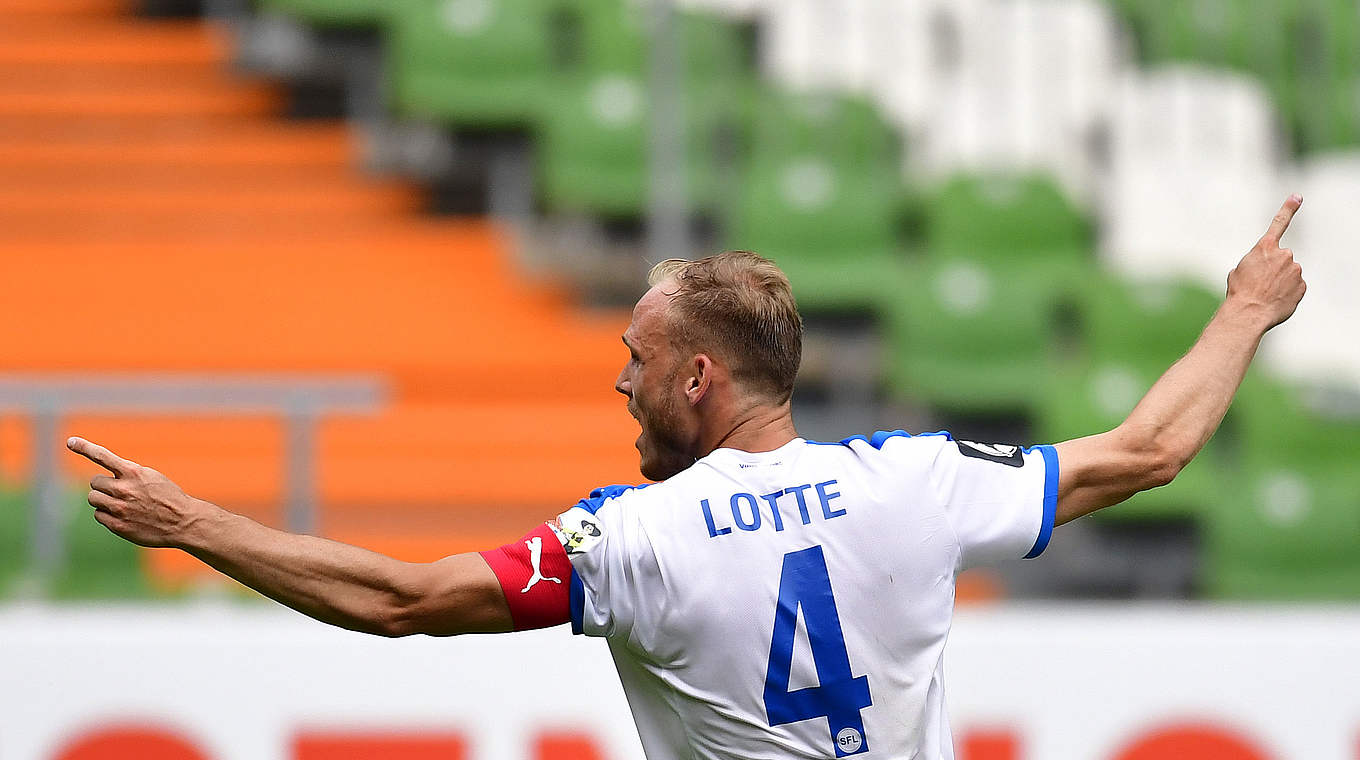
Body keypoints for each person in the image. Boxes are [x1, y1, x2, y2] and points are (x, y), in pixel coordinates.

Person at [67, 195, 1308, 759]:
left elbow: (400, 599)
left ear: (701, 377)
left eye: (638, 361)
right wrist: (1244, 311)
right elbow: (1151, 450)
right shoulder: (915, 481)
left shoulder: (635, 538)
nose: (622, 383)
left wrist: (193, 522)